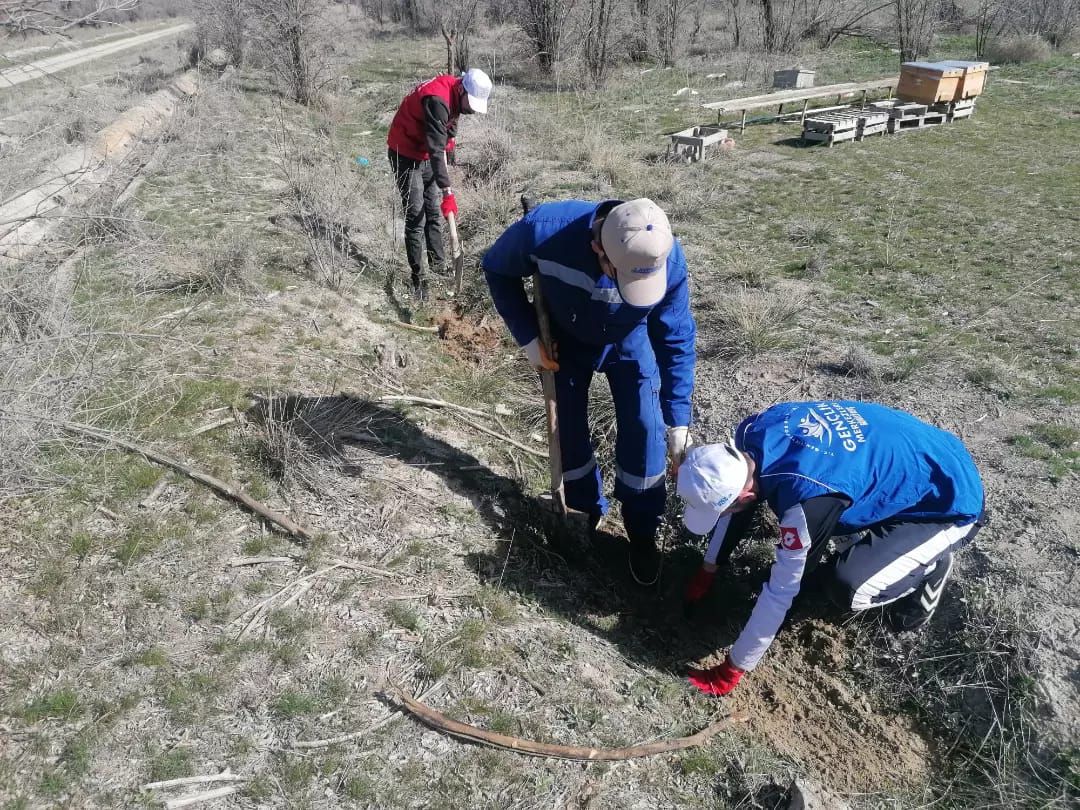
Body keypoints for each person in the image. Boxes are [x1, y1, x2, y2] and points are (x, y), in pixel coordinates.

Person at [675, 400, 987, 696]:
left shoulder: (806, 502)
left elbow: (783, 591)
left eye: (722, 510)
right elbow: (737, 504)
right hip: (918, 452)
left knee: (847, 586)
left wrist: (732, 669)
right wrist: (707, 570)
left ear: (742, 495)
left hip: (952, 498)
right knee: (833, 523)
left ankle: (931, 566)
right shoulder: (755, 433)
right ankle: (879, 536)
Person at [482, 198, 697, 585]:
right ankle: (584, 512)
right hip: (566, 342)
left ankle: (642, 531)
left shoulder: (666, 254)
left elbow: (677, 336)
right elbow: (497, 269)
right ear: (598, 248)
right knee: (568, 430)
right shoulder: (544, 230)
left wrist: (678, 420)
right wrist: (530, 338)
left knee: (646, 429)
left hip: (630, 343)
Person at [386, 68, 492, 297]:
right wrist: (448, 190)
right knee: (416, 216)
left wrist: (451, 141)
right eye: (471, 104)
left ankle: (438, 266)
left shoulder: (456, 94)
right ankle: (420, 280)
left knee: (433, 211)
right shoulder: (437, 99)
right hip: (404, 152)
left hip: (424, 152)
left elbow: (451, 122)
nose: (472, 110)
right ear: (462, 88)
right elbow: (436, 150)